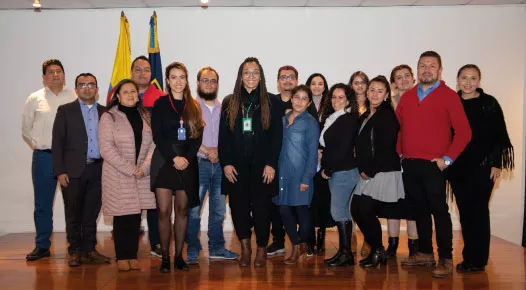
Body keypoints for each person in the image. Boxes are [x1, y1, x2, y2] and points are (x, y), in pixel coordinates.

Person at [397, 51, 471, 278]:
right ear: (417, 69)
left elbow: (464, 132)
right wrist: (401, 153)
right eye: (422, 65)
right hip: (410, 164)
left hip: (434, 166)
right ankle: (425, 254)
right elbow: (400, 127)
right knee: (419, 211)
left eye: (432, 66)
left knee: (439, 211)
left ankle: (446, 258)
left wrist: (447, 159)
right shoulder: (407, 97)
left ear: (440, 70)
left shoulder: (449, 96)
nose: (426, 69)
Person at [449, 64, 514, 273]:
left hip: (483, 168)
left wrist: (497, 164)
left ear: (479, 80)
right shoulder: (452, 103)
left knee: (478, 211)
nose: (468, 83)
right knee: (465, 213)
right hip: (458, 168)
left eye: (473, 78)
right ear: (458, 80)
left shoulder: (489, 104)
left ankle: (478, 260)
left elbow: (499, 136)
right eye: (464, 78)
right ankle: (469, 257)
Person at [218, 57, 282, 268]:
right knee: (238, 209)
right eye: (247, 72)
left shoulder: (272, 101)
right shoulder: (230, 101)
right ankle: (246, 248)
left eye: (255, 72)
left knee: (263, 210)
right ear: (240, 76)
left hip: (263, 167)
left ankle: (261, 248)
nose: (251, 76)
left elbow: (276, 137)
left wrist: (271, 163)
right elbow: (223, 137)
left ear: (261, 76)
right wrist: (226, 163)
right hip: (236, 168)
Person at [52, 73, 110, 267]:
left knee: (91, 212)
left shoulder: (105, 112)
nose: (87, 87)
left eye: (91, 84)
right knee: (73, 212)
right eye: (82, 84)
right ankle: (75, 251)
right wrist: (60, 171)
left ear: (97, 89)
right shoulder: (65, 111)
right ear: (76, 89)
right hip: (73, 171)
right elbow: (57, 143)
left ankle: (89, 250)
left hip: (98, 169)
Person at [150, 62, 204, 273]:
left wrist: (186, 158)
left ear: (186, 80)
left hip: (187, 162)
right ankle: (164, 257)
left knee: (182, 211)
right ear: (168, 80)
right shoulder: (161, 104)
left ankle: (178, 255)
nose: (178, 81)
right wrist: (174, 157)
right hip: (165, 160)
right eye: (174, 77)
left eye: (182, 77)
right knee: (164, 211)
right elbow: (158, 135)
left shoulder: (194, 105)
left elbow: (197, 137)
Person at [99, 79, 156, 271]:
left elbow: (153, 145)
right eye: (126, 92)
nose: (131, 95)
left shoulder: (145, 116)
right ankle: (122, 256)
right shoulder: (109, 117)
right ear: (117, 96)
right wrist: (130, 169)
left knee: (135, 217)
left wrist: (144, 168)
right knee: (122, 217)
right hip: (118, 174)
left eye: (134, 92)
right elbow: (106, 148)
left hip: (141, 174)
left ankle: (132, 254)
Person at [22, 59, 76, 261]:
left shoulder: (73, 96)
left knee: (72, 203)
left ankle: (74, 244)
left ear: (64, 75)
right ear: (44, 77)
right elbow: (26, 129)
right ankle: (42, 245)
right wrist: (41, 143)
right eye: (51, 72)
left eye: (59, 71)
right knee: (43, 204)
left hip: (69, 159)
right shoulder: (34, 98)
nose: (56, 75)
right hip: (44, 157)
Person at [185, 67, 239, 264]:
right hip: (198, 164)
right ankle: (192, 249)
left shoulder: (223, 107)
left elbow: (229, 136)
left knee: (218, 210)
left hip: (220, 166)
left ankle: (216, 247)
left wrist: (219, 152)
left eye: (213, 81)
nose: (209, 84)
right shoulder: (189, 107)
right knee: (193, 209)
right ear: (198, 83)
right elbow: (185, 137)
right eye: (205, 80)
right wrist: (207, 150)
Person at [351, 76, 404, 268]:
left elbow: (386, 148)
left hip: (381, 171)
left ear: (387, 94)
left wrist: (370, 170)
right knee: (356, 210)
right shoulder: (368, 114)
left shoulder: (387, 115)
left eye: (379, 90)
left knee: (364, 211)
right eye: (371, 90)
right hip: (367, 171)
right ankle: (377, 249)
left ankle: (377, 251)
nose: (374, 94)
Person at [268, 65, 317, 257]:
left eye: (304, 99)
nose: (299, 101)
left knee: (302, 212)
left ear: (308, 103)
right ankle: (296, 243)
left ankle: (299, 246)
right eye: (297, 97)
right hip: (282, 174)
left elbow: (313, 153)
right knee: (283, 209)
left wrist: (307, 178)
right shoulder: (283, 119)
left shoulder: (310, 122)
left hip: (301, 175)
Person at [320, 83, 360, 267]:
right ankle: (344, 253)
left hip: (343, 171)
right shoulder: (334, 117)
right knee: (340, 211)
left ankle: (346, 254)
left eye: (341, 97)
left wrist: (328, 169)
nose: (337, 100)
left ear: (348, 99)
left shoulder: (348, 119)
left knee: (338, 211)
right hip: (337, 172)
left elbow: (343, 148)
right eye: (334, 97)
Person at [129, 55, 165, 258]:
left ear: (151, 74)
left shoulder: (161, 97)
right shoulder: (122, 95)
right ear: (131, 72)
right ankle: (128, 244)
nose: (142, 73)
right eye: (138, 69)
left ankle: (156, 242)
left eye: (146, 70)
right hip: (127, 159)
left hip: (153, 158)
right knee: (128, 202)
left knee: (154, 202)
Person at [383, 65, 419, 259]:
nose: (403, 80)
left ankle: (414, 247)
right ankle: (392, 245)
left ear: (413, 79)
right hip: (393, 160)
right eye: (399, 77)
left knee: (412, 204)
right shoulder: (389, 103)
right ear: (393, 83)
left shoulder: (421, 99)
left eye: (407, 76)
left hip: (414, 158)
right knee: (393, 204)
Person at [305, 73, 334, 256]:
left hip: (326, 159)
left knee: (323, 200)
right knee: (308, 200)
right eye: (313, 83)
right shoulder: (302, 104)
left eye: (320, 84)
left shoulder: (331, 106)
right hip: (307, 159)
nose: (316, 87)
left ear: (325, 87)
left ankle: (321, 235)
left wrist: (324, 151)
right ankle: (308, 239)